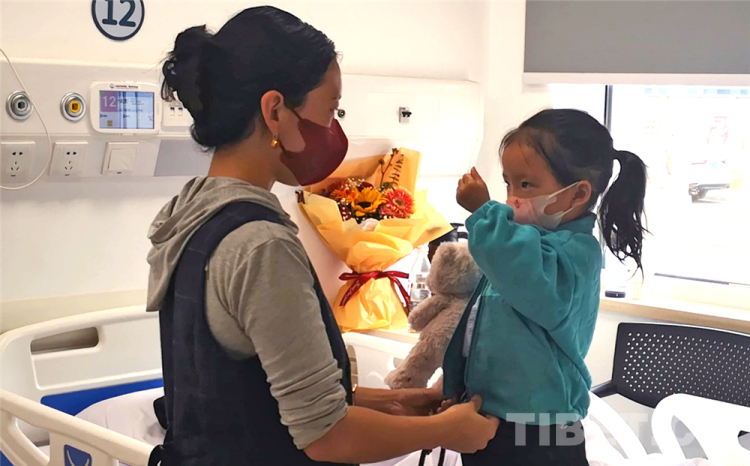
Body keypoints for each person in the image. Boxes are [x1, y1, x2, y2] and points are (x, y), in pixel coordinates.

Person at [146, 6, 498, 466]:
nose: (334, 130)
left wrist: (395, 401)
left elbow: (254, 395)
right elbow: (327, 436)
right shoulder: (260, 245)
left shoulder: (192, 217)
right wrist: (447, 431)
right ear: (275, 110)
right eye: (331, 110)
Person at [442, 109, 648, 465]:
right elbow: (483, 331)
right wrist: (456, 384)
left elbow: (526, 275)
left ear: (577, 194)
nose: (511, 197)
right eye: (507, 183)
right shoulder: (522, 245)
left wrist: (485, 212)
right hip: (494, 414)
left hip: (542, 429)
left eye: (525, 185)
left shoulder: (576, 253)